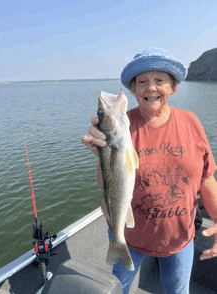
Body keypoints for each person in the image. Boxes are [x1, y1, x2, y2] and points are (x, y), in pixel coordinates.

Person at [81, 48, 217, 294]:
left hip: (180, 237)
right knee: (118, 288)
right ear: (133, 90)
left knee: (178, 290)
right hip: (130, 236)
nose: (151, 88)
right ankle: (118, 244)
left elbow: (206, 177)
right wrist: (101, 154)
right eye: (142, 82)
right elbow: (105, 185)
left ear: (173, 87)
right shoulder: (124, 126)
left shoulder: (191, 122)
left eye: (160, 80)